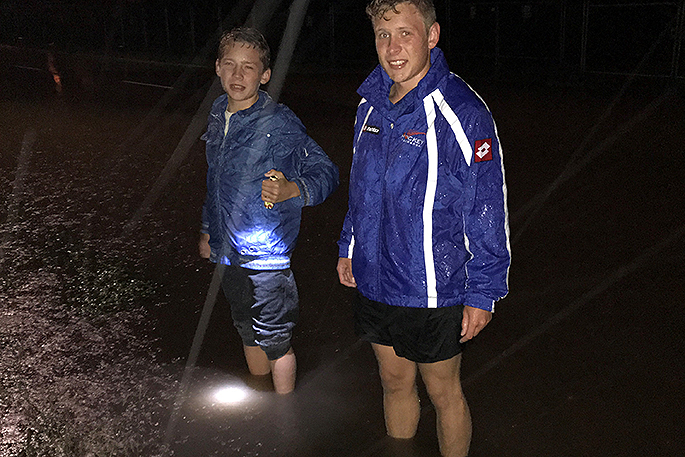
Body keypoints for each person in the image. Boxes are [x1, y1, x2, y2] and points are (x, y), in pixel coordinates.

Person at [336, 1, 510, 455]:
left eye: (405, 33)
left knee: (443, 393)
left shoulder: (462, 111)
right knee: (393, 382)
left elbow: (487, 206)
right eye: (383, 35)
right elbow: (362, 187)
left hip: (433, 287)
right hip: (375, 278)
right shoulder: (369, 105)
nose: (393, 48)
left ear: (432, 36)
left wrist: (483, 291)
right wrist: (349, 245)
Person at [200, 27, 338, 394]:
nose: (238, 74)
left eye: (249, 67)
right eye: (230, 64)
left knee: (275, 336)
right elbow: (215, 180)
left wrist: (292, 189)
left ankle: (283, 412)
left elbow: (326, 171)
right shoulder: (218, 114)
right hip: (228, 251)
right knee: (244, 325)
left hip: (267, 256)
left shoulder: (279, 122)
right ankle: (261, 403)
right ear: (217, 67)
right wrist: (208, 230)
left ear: (265, 75)